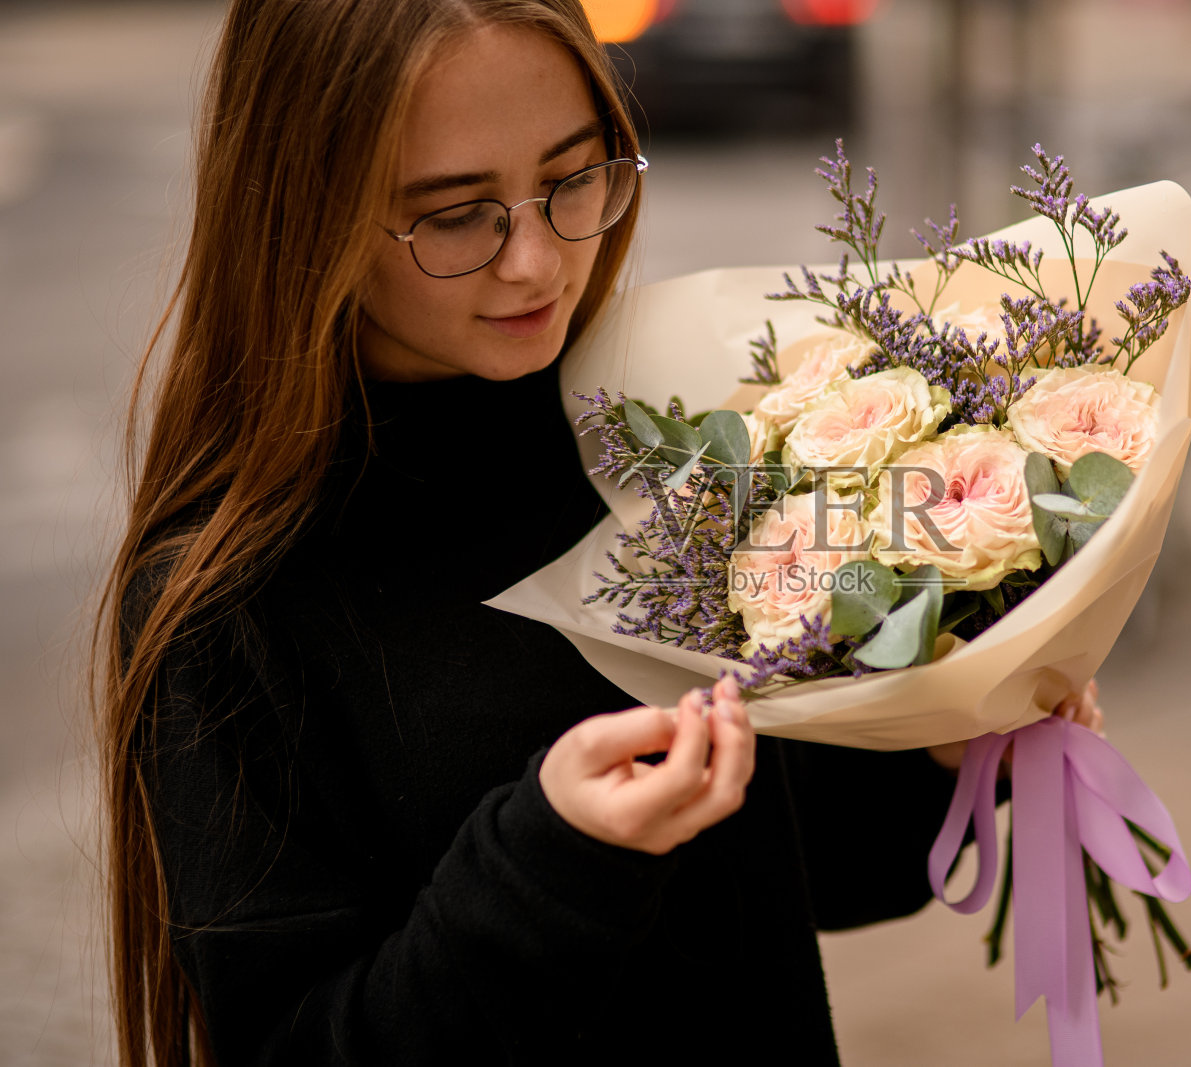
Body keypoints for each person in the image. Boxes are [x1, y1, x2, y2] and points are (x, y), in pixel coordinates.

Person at [92, 3, 997, 1064]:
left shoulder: (672, 431)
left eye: (573, 178)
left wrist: (948, 731)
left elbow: (808, 872)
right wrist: (550, 861)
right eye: (454, 214)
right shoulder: (228, 596)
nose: (533, 262)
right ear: (304, 211)